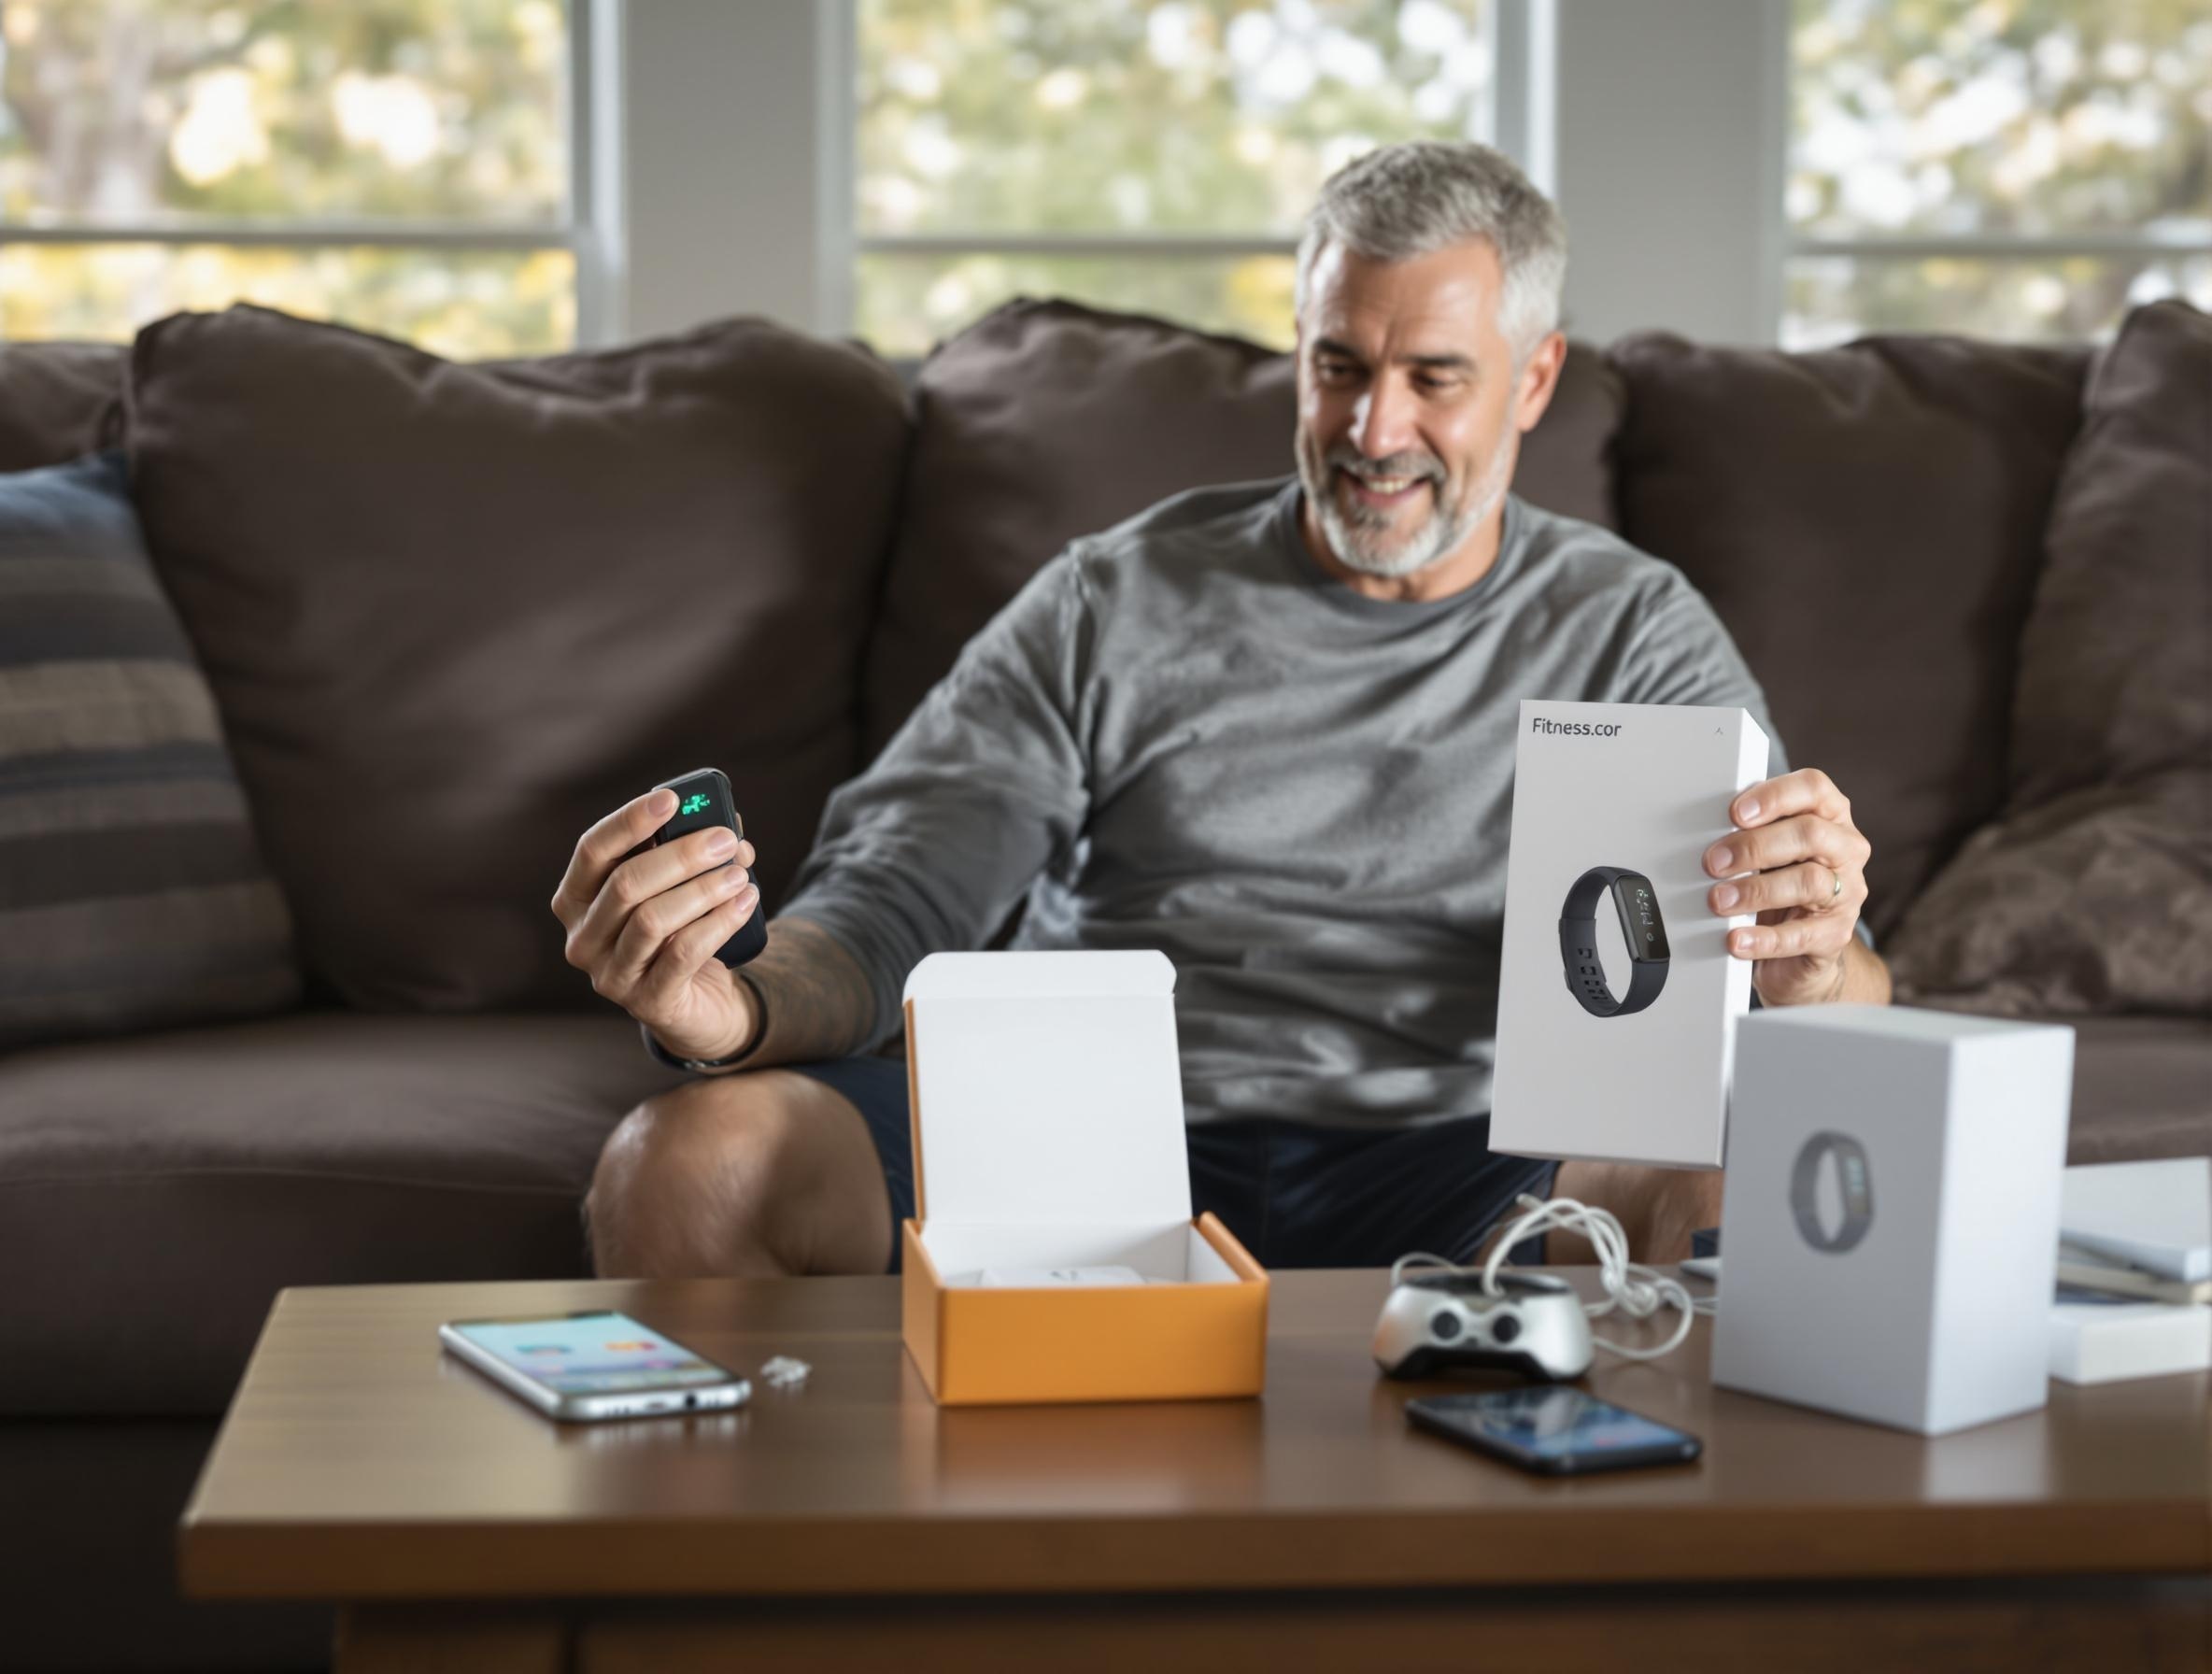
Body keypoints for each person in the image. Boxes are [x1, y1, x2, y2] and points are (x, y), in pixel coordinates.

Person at [551, 141, 1889, 1283]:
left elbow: (1837, 981)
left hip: (1473, 1155)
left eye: (1434, 378)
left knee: (1720, 1181)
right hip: (1083, 1131)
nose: (1373, 430)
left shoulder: (1631, 630)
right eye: (1338, 366)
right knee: (688, 1162)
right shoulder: (1117, 597)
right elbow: (897, 896)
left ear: (1532, 381)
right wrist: (730, 1008)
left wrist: (1810, 968)